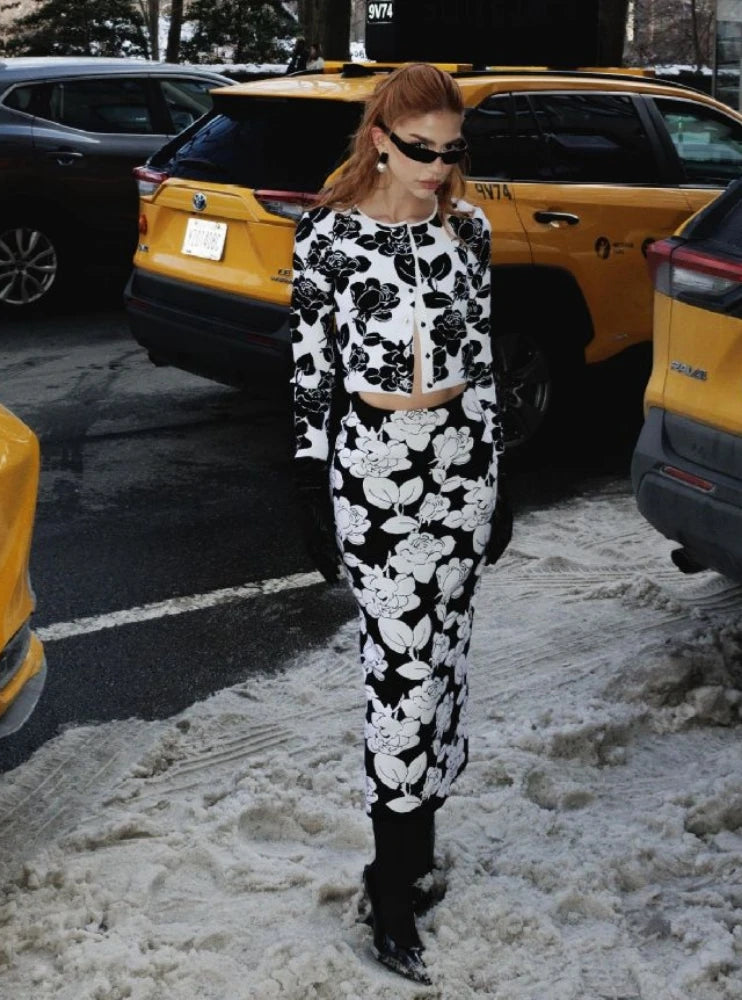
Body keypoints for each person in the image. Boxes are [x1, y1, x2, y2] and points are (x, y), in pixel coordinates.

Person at [289, 62, 510, 985]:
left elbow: (485, 355)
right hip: (376, 468)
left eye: (452, 152)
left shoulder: (470, 228)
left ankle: (415, 859)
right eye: (422, 150)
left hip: (462, 463)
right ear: (380, 138)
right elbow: (310, 370)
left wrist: (503, 476)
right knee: (402, 674)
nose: (438, 167)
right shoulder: (328, 237)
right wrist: (309, 488)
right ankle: (389, 882)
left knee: (445, 658)